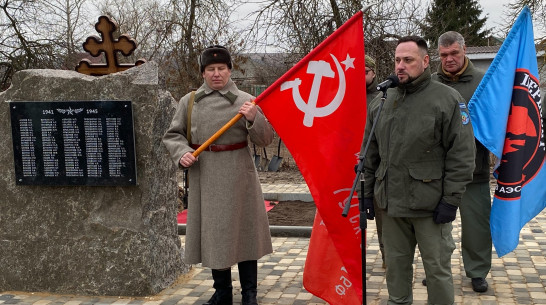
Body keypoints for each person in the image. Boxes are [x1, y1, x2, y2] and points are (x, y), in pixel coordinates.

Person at [360, 36, 475, 304]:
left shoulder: (447, 99)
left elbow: (462, 155)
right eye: (398, 60)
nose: (401, 66)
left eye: (408, 60)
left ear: (425, 62)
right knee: (396, 272)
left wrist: (451, 200)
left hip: (430, 207)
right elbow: (369, 153)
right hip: (391, 207)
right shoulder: (382, 100)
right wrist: (366, 194)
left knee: (437, 271)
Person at [163, 45, 274, 305]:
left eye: (221, 68)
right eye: (210, 69)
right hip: (207, 174)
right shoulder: (189, 102)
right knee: (216, 235)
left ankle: (250, 294)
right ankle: (222, 292)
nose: (216, 74)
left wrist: (253, 117)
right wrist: (182, 153)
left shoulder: (246, 100)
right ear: (202, 73)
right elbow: (173, 135)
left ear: (230, 71)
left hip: (240, 174)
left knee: (245, 233)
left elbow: (266, 139)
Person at [431, 31, 491, 293]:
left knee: (476, 226)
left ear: (464, 50)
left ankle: (477, 271)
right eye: (444, 55)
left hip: (473, 170)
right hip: (434, 173)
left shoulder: (484, 82)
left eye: (454, 53)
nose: (449, 59)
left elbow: (495, 123)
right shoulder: (429, 83)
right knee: (434, 227)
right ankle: (437, 270)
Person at [363, 55, 385, 268]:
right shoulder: (344, 96)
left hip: (377, 165)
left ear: (373, 73)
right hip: (351, 165)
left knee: (382, 217)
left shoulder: (382, 97)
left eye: (365, 72)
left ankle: (388, 256)